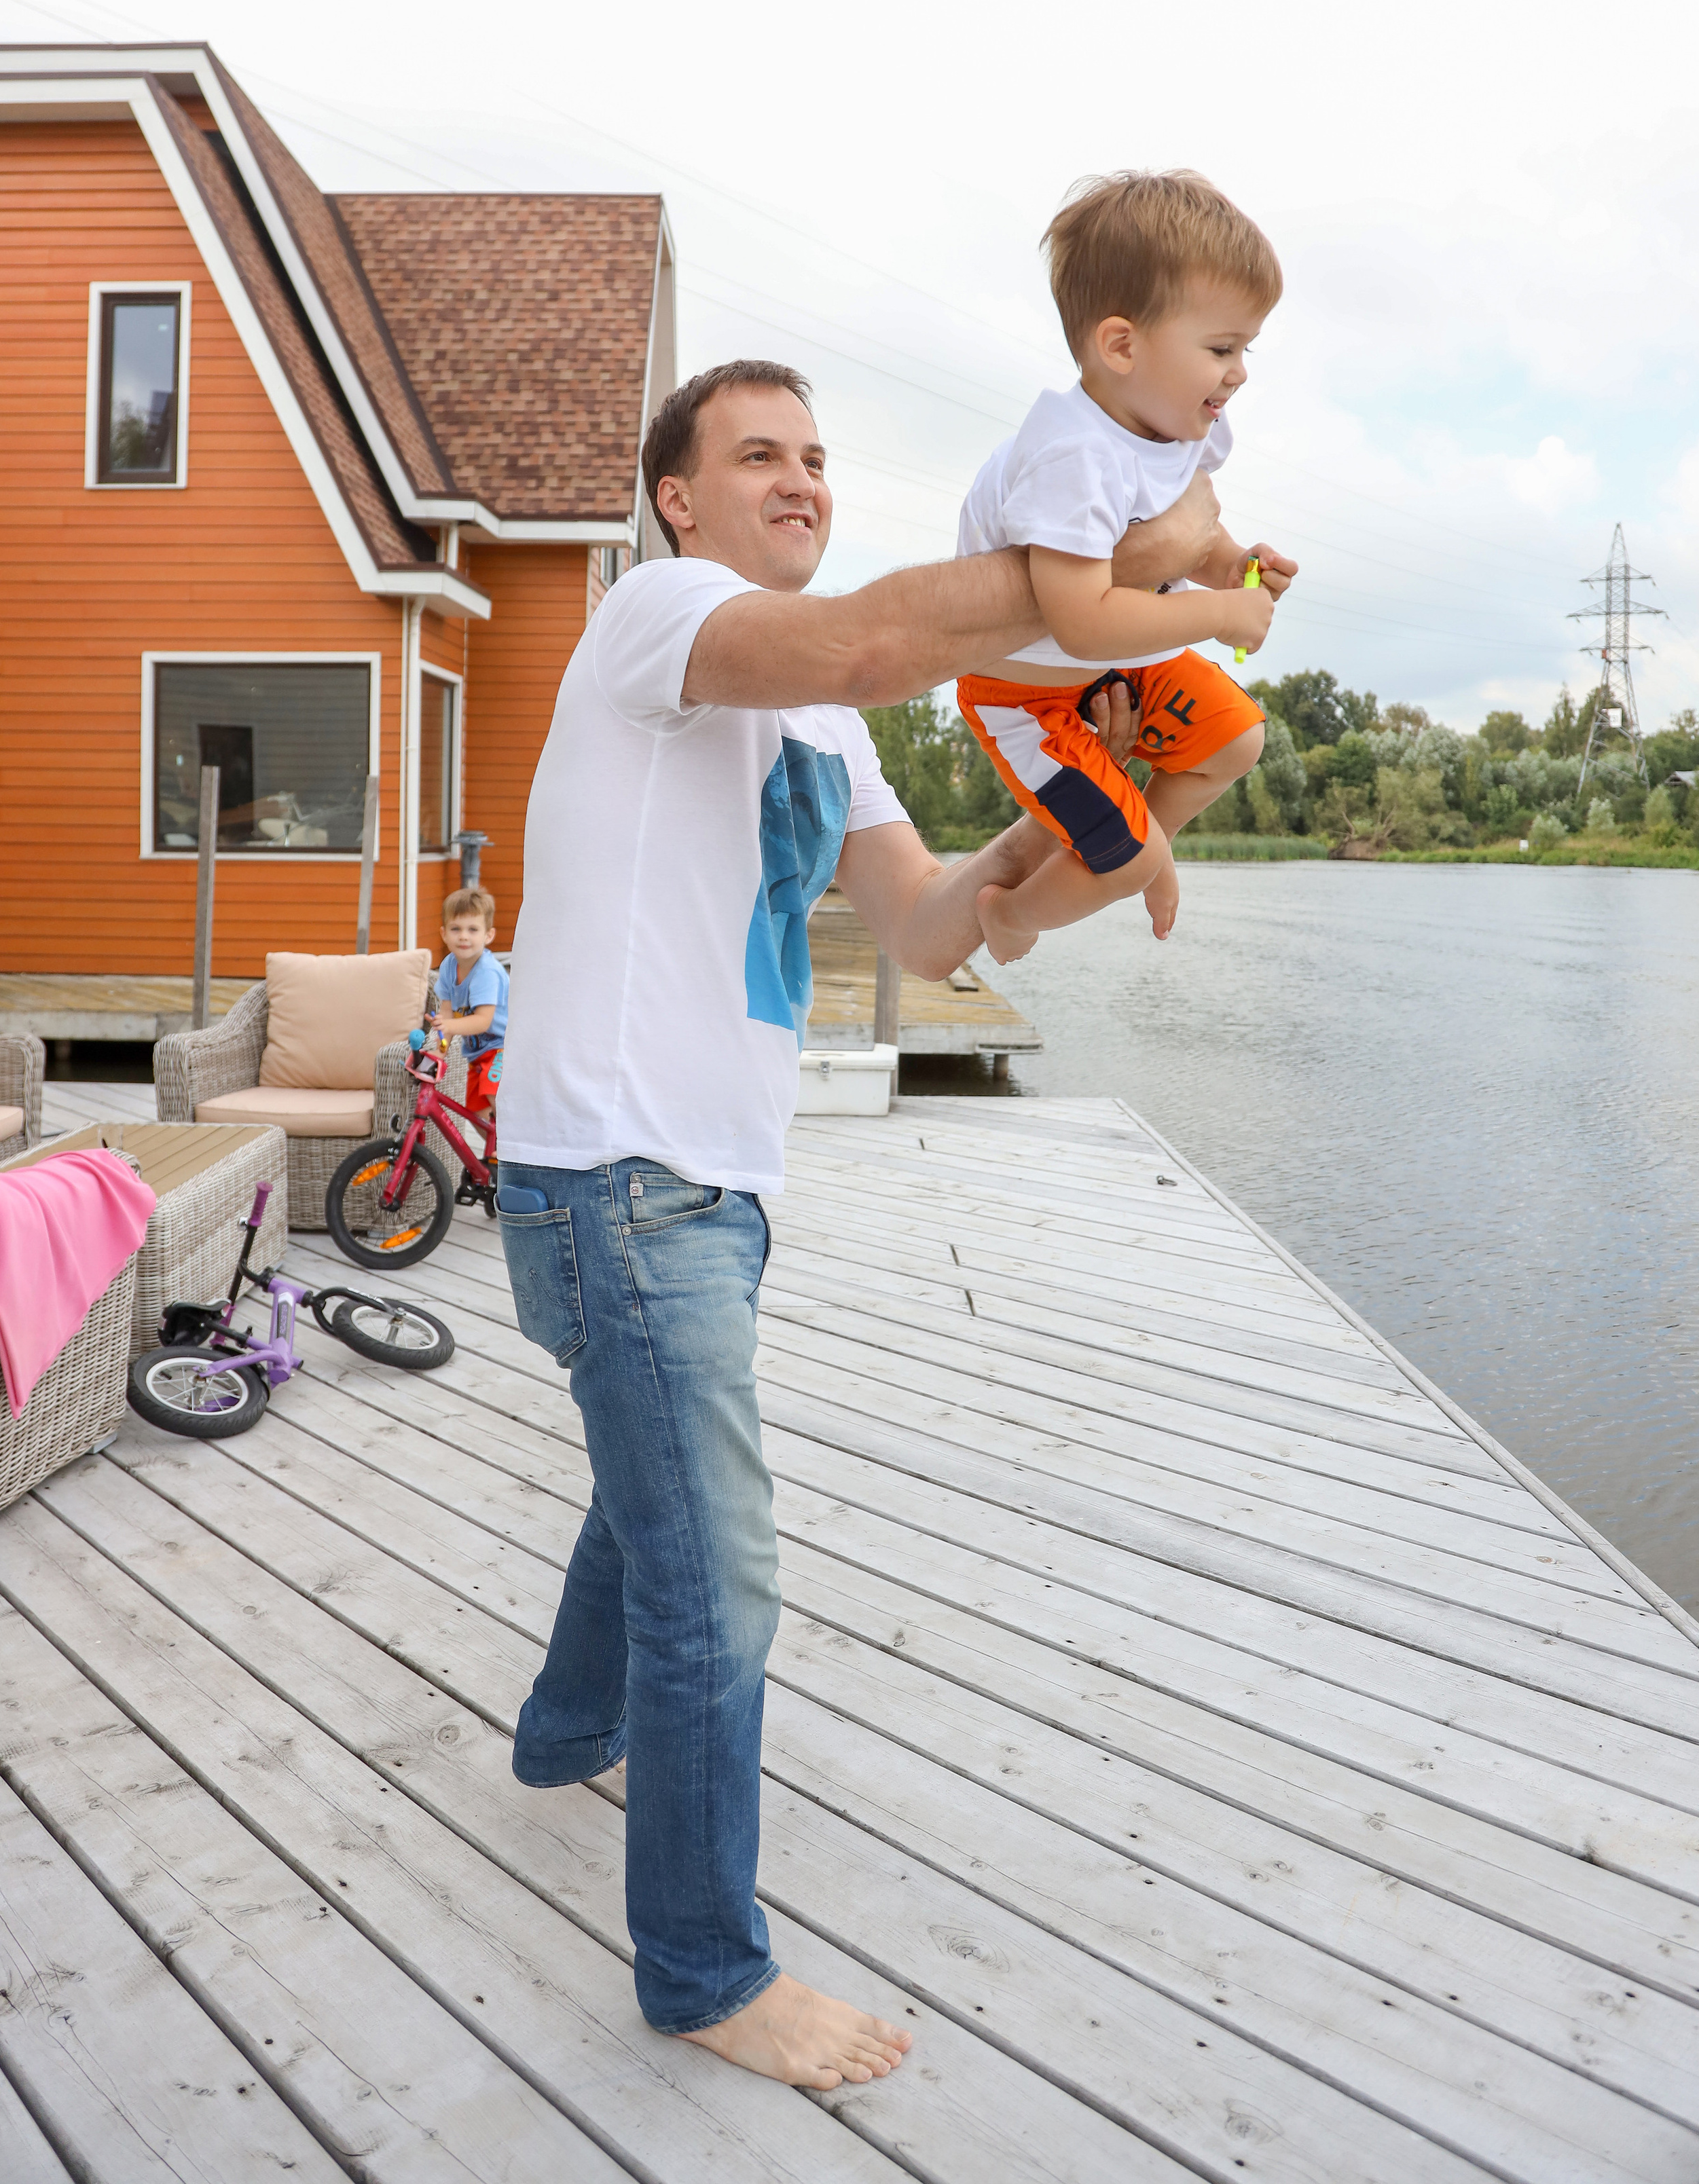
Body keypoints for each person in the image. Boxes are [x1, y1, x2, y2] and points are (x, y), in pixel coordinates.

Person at [496, 358, 1156, 2095]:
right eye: (755, 455)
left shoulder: (832, 723)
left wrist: (1095, 810)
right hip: (615, 1177)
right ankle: (704, 1968)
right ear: (677, 501)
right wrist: (1102, 570)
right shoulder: (659, 620)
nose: (797, 478)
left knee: (652, 1497)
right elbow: (873, 635)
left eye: (814, 456)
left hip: (713, 1181)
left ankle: (572, 1733)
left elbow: (935, 931)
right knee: (719, 1572)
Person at [955, 168, 1300, 963]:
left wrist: (1231, 566)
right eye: (1221, 347)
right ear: (1121, 346)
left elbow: (1188, 538)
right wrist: (1220, 615)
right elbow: (1080, 620)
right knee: (1129, 855)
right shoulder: (1070, 456)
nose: (1239, 370)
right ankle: (1015, 917)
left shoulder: (1178, 430)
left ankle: (1146, 841)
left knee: (1237, 742)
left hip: (1121, 667)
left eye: (1246, 347)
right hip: (1027, 700)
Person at [431, 885, 508, 1117]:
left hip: (504, 1047)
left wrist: (449, 1026)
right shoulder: (448, 966)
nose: (463, 936)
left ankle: (510, 1150)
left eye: (473, 929)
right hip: (477, 1053)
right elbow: (446, 1013)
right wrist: (439, 1053)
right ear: (444, 934)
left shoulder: (487, 972)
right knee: (475, 1112)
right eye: (456, 929)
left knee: (496, 1096)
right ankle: (490, 1153)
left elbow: (483, 1021)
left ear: (488, 935)